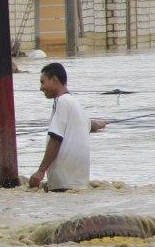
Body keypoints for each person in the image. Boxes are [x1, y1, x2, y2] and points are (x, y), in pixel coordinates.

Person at [29, 63, 107, 191]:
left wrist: (40, 171)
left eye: (43, 82)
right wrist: (95, 124)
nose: (41, 88)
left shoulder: (62, 102)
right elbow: (88, 125)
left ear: (54, 80)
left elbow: (55, 139)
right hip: (78, 182)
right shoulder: (74, 103)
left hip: (63, 182)